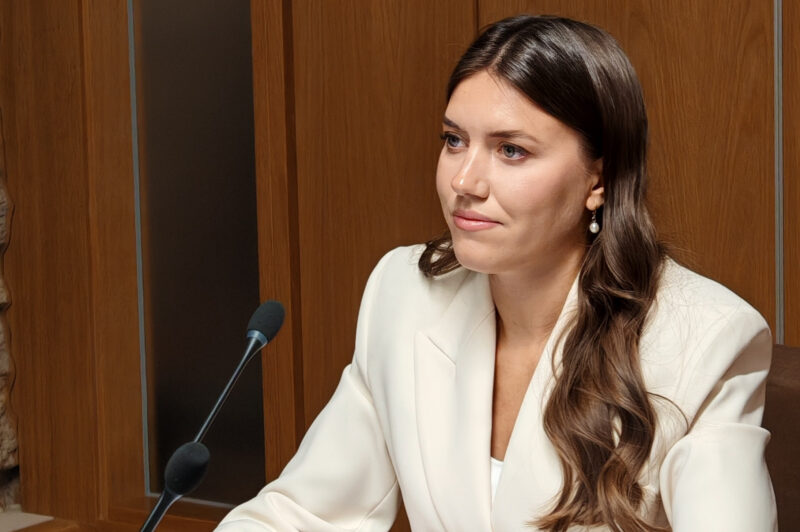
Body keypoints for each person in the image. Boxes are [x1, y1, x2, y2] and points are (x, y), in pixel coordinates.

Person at [216, 14, 776, 531]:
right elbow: (302, 513)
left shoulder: (706, 339)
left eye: (511, 151)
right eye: (454, 141)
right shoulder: (404, 292)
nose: (464, 181)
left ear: (599, 180)